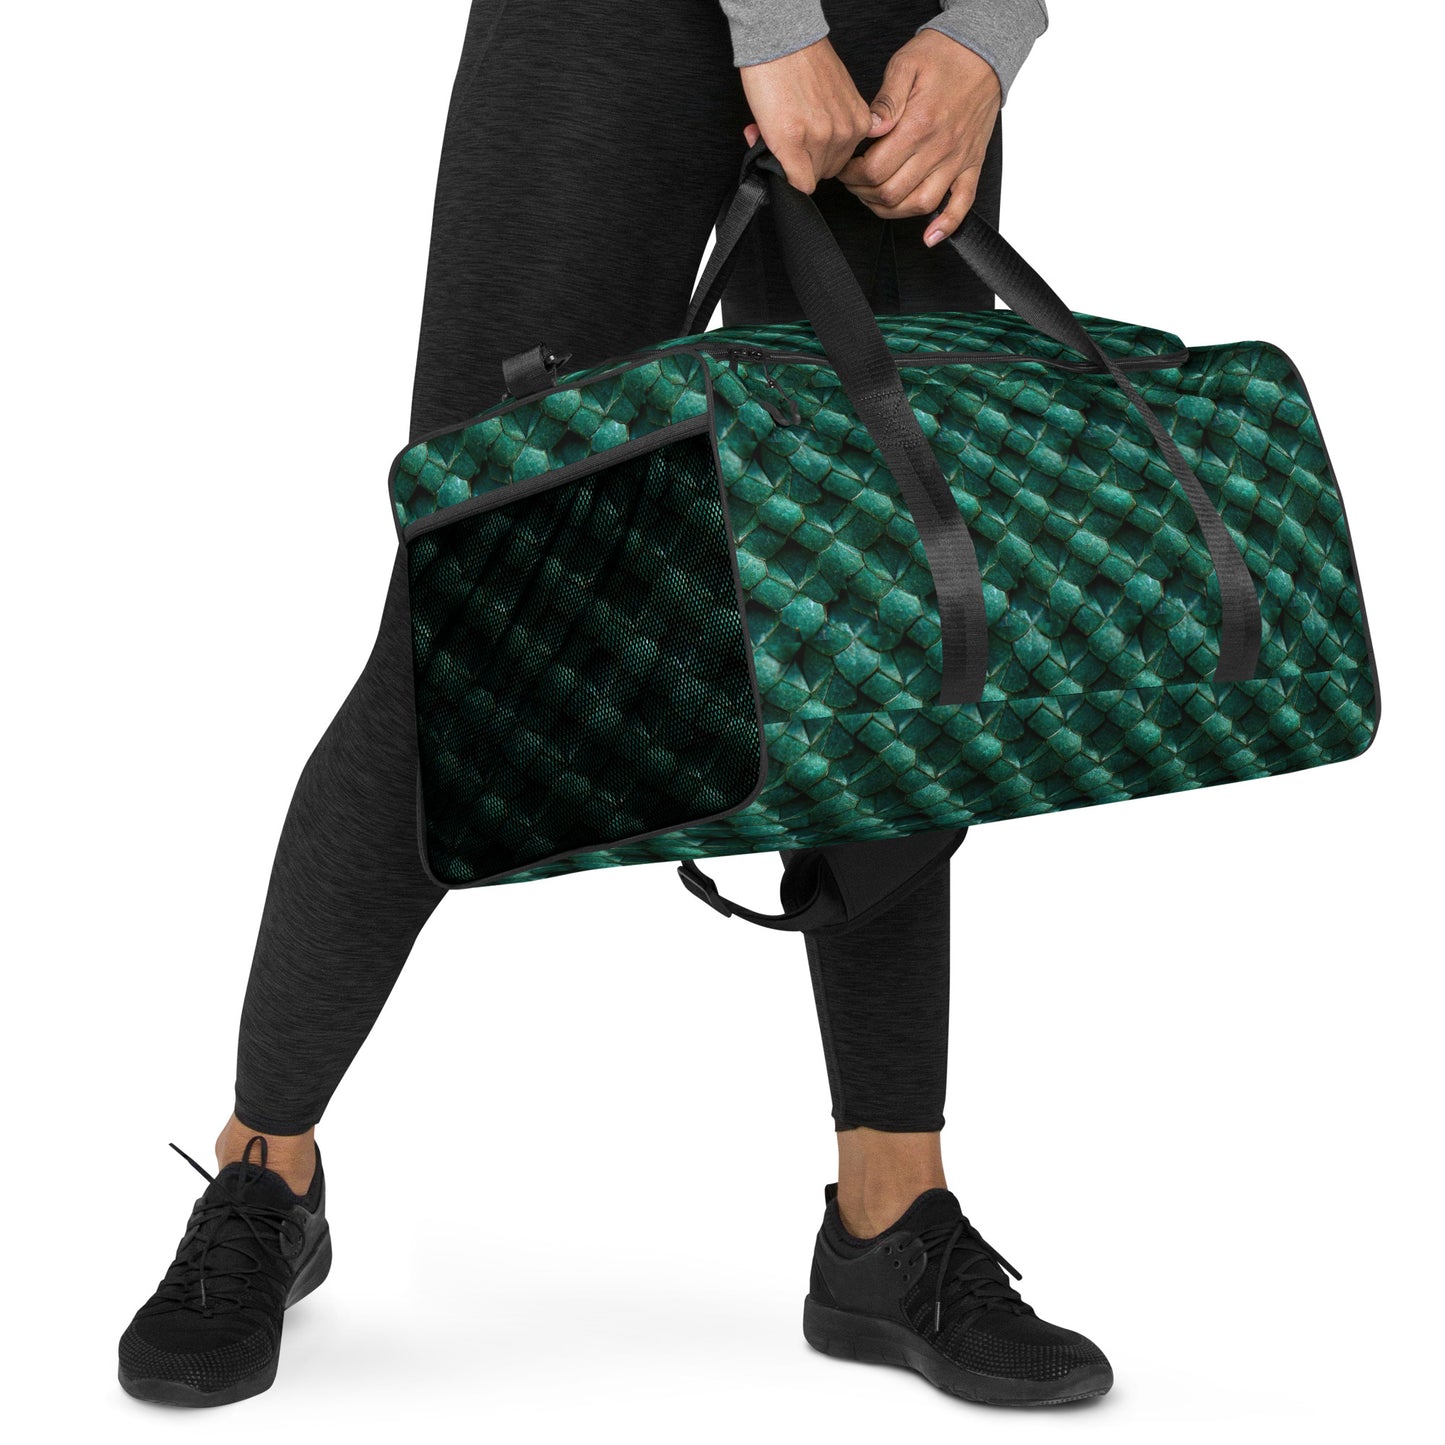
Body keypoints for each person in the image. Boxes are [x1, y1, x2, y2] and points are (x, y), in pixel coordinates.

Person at [118, 0, 1110, 1412]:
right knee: (478, 608)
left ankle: (890, 1219)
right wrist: (774, 22)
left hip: (911, 48)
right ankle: (263, 1171)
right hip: (613, 29)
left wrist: (991, 31)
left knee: (888, 634)